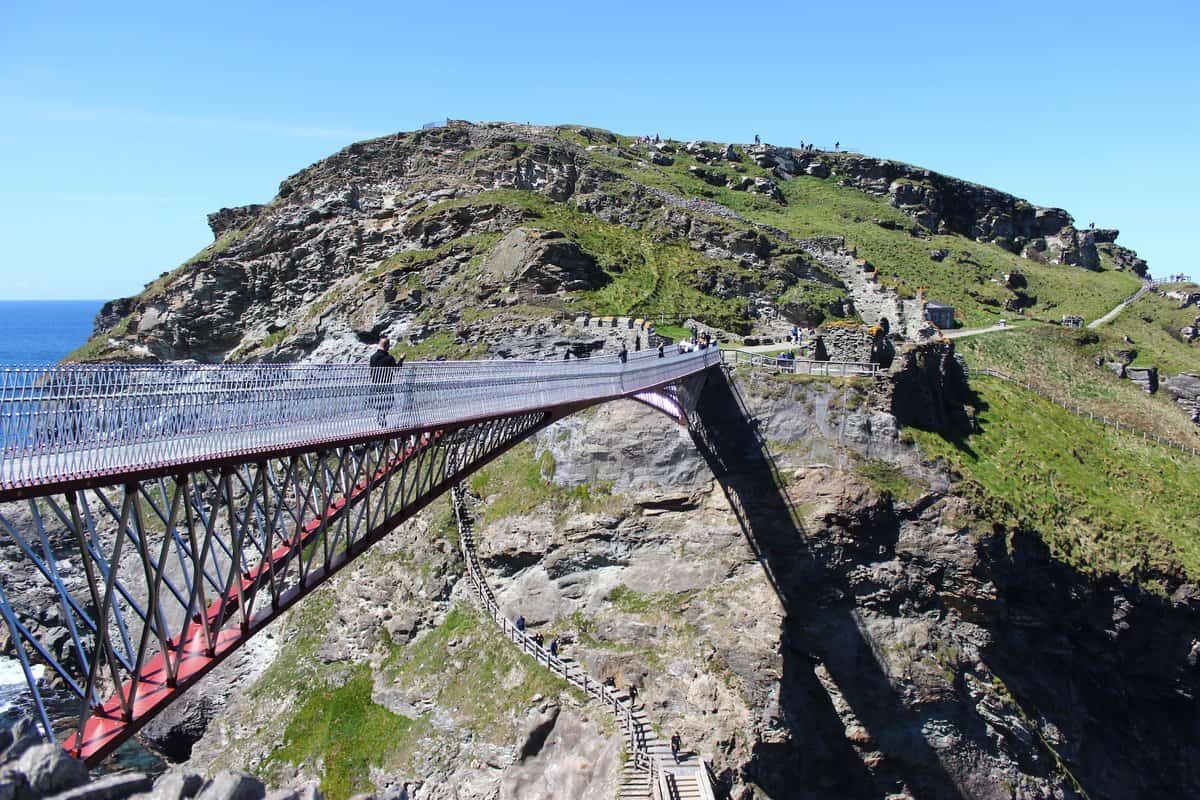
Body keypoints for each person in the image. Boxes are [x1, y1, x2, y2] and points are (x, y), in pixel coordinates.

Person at [368, 336, 398, 427]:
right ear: (387, 346)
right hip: (386, 384)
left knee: (380, 400)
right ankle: (382, 415)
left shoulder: (373, 357)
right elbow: (396, 369)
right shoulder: (389, 358)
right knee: (389, 400)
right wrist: (401, 359)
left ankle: (379, 413)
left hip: (375, 384)